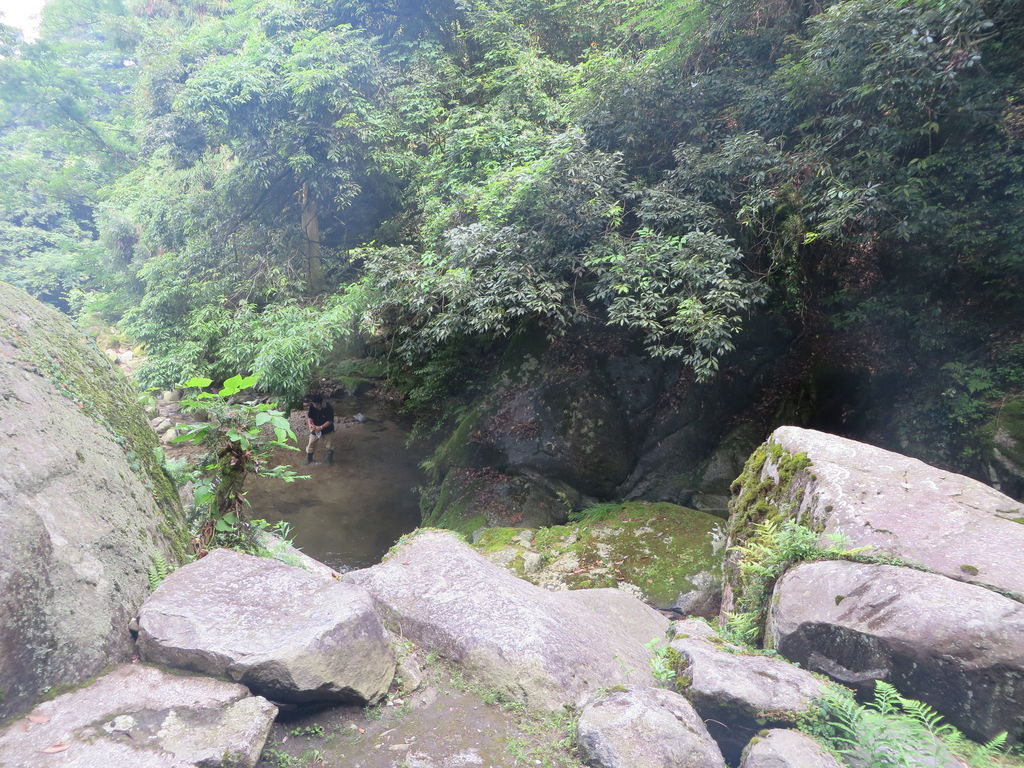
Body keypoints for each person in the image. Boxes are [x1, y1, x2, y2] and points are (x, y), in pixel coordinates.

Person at [305, 393, 335, 464]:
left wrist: (321, 427)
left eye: (315, 404)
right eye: (313, 403)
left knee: (329, 446)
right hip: (315, 428)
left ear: (319, 403)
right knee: (311, 444)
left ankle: (329, 461)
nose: (313, 405)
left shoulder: (328, 407)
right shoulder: (312, 406)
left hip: (328, 429)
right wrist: (310, 425)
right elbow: (310, 417)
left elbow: (330, 421)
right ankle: (309, 460)